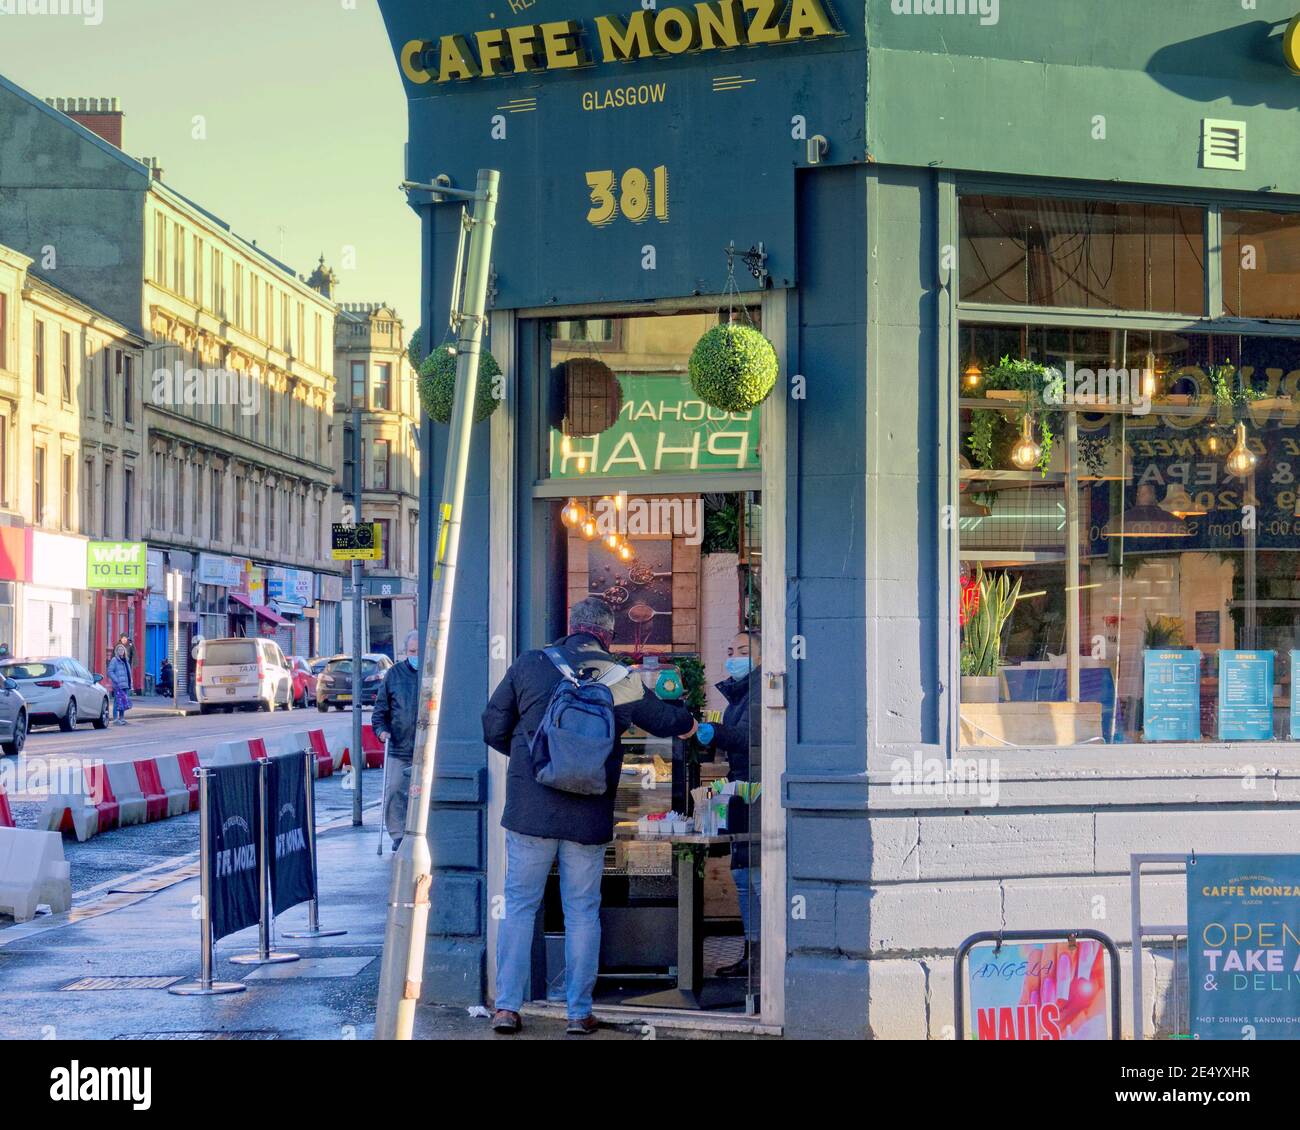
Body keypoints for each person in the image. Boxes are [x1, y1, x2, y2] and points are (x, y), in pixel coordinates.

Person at [482, 597, 696, 1036]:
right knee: (582, 911)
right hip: (589, 812)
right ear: (607, 633)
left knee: (520, 908)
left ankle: (506, 1007)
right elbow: (663, 721)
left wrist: (531, 763)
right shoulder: (622, 677)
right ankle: (578, 1013)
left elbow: (492, 724)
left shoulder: (531, 663)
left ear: (571, 626)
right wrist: (693, 724)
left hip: (530, 810)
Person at [695, 630, 762, 979]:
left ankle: (764, 955)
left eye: (743, 650)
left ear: (762, 657)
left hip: (757, 797)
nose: (733, 655)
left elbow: (751, 738)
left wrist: (713, 732)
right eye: (730, 649)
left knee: (755, 878)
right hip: (741, 795)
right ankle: (752, 952)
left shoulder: (762, 691)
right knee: (742, 876)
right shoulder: (739, 696)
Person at [370, 629, 420, 850]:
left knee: (419, 793)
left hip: (425, 749)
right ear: (405, 651)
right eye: (412, 651)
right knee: (395, 790)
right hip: (400, 746)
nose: (415, 655)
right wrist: (381, 731)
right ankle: (398, 834)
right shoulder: (394, 675)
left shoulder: (431, 673)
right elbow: (380, 712)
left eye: (419, 651)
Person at [108, 645, 132, 725]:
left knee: (123, 701)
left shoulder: (126, 660)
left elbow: (128, 673)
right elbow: (110, 672)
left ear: (124, 651)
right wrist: (116, 680)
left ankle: (122, 718)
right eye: (119, 650)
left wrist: (130, 683)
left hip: (125, 684)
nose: (121, 651)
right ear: (117, 651)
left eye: (122, 649)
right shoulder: (114, 660)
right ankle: (115, 719)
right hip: (118, 685)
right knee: (117, 702)